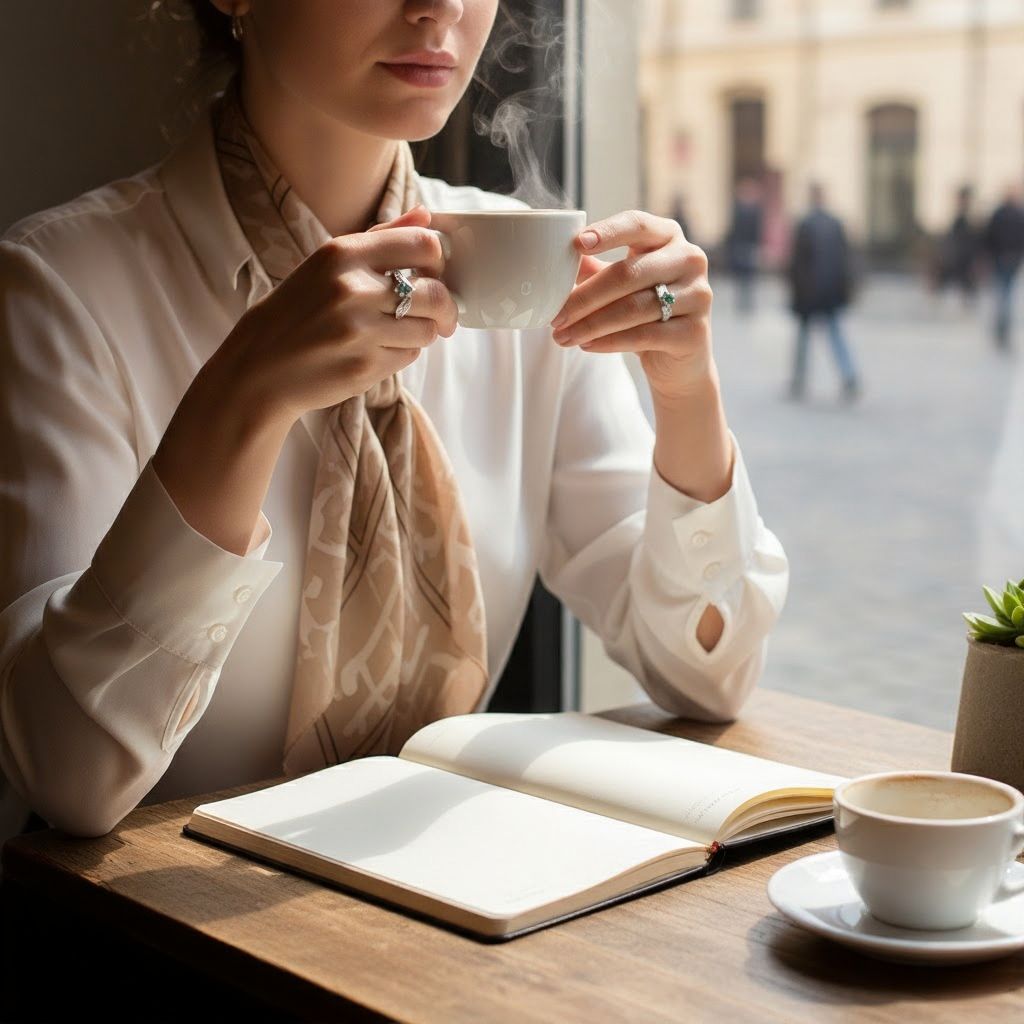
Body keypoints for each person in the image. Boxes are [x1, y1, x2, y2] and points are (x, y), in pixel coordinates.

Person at [0, 0, 788, 842]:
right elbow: (69, 776)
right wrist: (242, 395)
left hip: (454, 925)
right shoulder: (60, 288)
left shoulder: (526, 268)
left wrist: (686, 393)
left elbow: (707, 671)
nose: (442, 5)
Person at [787, 183, 860, 402]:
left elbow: (797, 264)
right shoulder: (835, 224)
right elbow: (846, 260)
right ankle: (849, 375)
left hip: (810, 292)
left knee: (804, 338)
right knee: (835, 335)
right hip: (830, 291)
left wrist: (797, 291)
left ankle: (800, 378)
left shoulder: (806, 224)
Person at [984, 184, 1024, 349]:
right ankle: (1003, 326)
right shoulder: (1017, 215)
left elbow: (989, 237)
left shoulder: (1000, 214)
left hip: (1001, 258)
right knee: (1006, 293)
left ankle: (1001, 326)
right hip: (1010, 258)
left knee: (1001, 292)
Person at [936, 185, 980, 307]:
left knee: (966, 281)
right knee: (959, 280)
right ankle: (962, 303)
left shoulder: (969, 217)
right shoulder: (961, 217)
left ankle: (965, 303)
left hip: (966, 255)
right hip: (959, 255)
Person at [724, 177, 763, 314]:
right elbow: (734, 229)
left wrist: (758, 247)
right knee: (741, 276)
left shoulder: (756, 210)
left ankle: (748, 303)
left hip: (750, 247)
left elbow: (758, 230)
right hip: (740, 247)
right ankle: (741, 302)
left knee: (750, 277)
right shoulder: (738, 209)